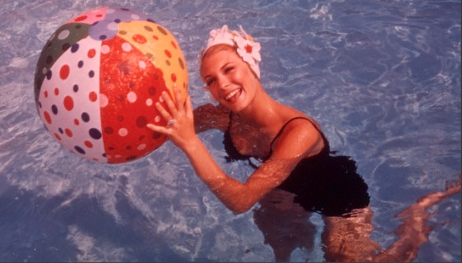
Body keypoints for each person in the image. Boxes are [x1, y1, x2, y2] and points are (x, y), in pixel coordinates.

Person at [147, 25, 461, 262]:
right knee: (281, 251)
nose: (222, 85)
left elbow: (240, 201)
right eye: (211, 80)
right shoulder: (222, 117)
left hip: (336, 196)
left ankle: (417, 218)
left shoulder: (299, 131)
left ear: (251, 66)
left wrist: (190, 143)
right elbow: (159, 124)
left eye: (229, 69)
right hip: (281, 190)